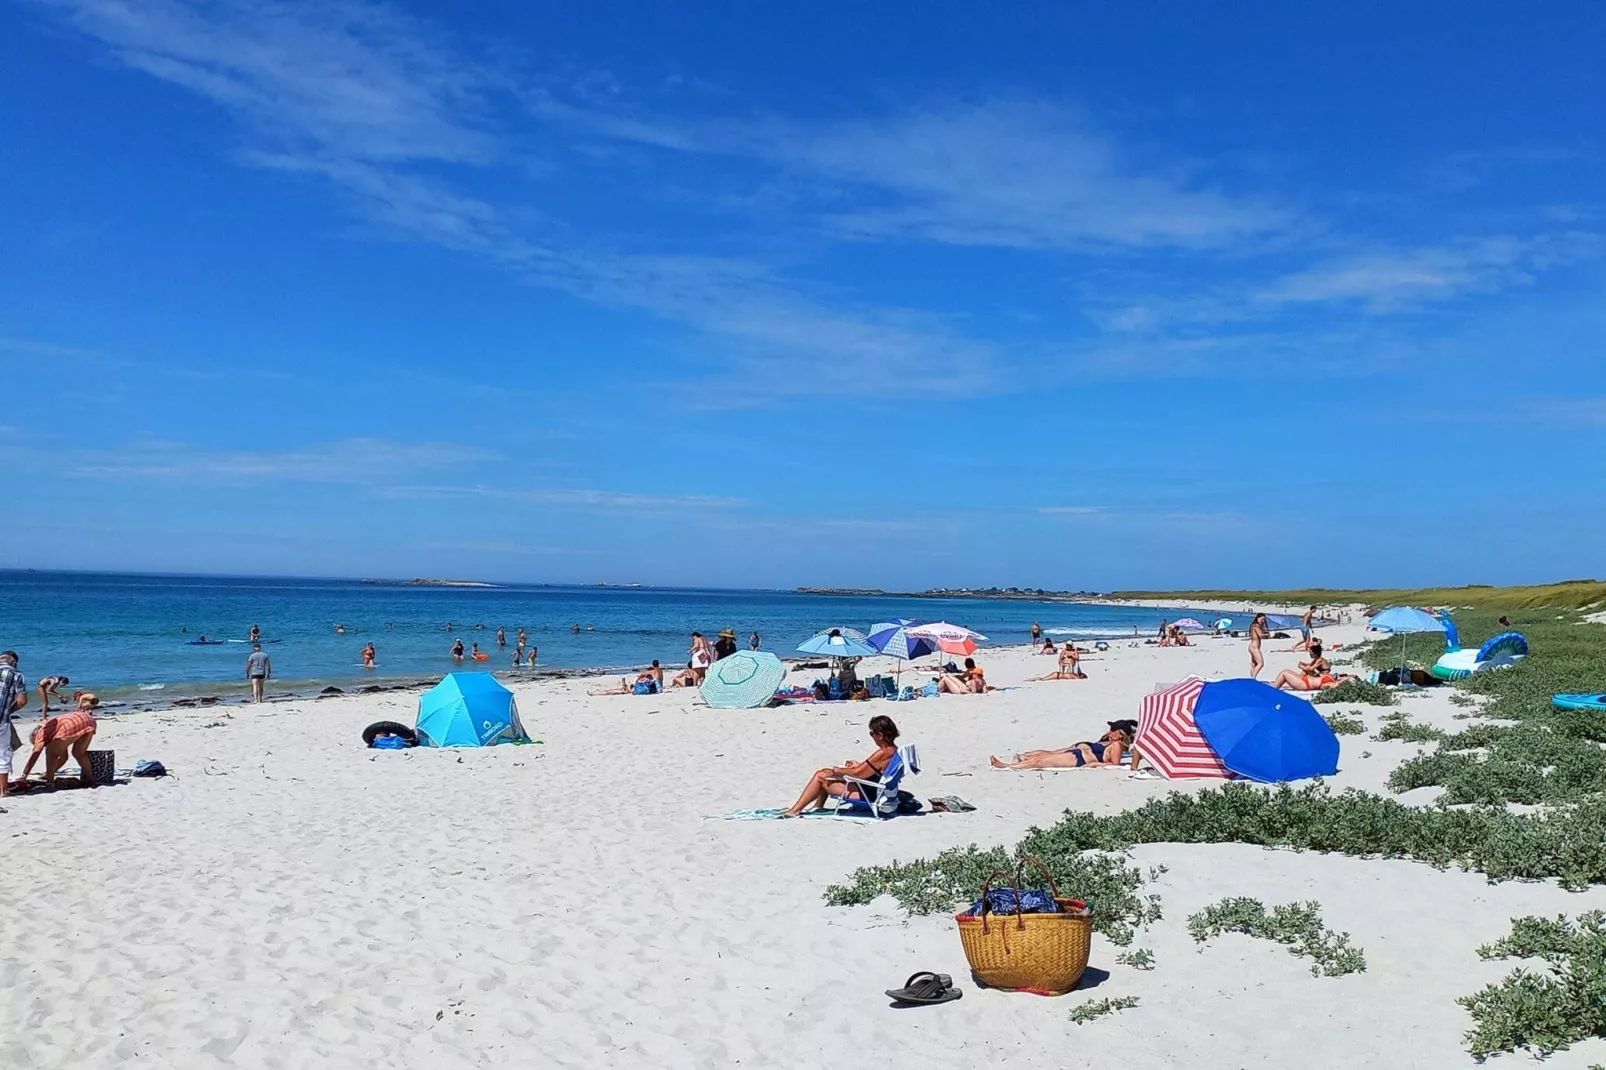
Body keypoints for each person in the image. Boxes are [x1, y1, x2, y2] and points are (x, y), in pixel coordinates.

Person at [784, 715, 900, 816]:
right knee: (825, 771)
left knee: (820, 776)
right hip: (874, 788)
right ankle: (818, 806)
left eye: (871, 733)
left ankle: (795, 810)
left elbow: (857, 774)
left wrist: (838, 770)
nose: (871, 736)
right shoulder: (893, 751)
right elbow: (876, 770)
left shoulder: (883, 753)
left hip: (867, 794)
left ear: (879, 735)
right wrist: (857, 765)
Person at [17, 693, 99, 788]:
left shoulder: (41, 733)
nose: (44, 745)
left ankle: (49, 784)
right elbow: (64, 758)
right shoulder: (55, 733)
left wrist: (24, 775)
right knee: (79, 753)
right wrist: (49, 772)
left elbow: (35, 754)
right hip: (88, 719)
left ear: (35, 735)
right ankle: (91, 780)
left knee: (51, 753)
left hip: (71, 723)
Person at [991, 723, 1133, 770]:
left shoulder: (1117, 745)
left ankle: (1006, 766)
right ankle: (1012, 764)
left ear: (1120, 734)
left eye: (1113, 730)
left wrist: (1096, 764)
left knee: (1039, 762)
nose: (1110, 731)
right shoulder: (1110, 742)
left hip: (1080, 759)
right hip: (1078, 755)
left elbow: (1114, 764)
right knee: (1040, 757)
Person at [0, 651, 29, 797]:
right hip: (1, 720)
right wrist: (8, 710)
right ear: (14, 662)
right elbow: (22, 701)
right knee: (3, 754)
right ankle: (3, 791)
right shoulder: (17, 674)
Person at [1249, 613, 1268, 679]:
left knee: (1254, 664)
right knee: (1261, 663)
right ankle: (1253, 678)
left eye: (1264, 620)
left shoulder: (1255, 626)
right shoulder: (1255, 626)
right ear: (1258, 618)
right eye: (1262, 619)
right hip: (1254, 647)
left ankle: (1252, 677)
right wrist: (1267, 634)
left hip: (1253, 646)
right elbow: (1260, 635)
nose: (1263, 621)